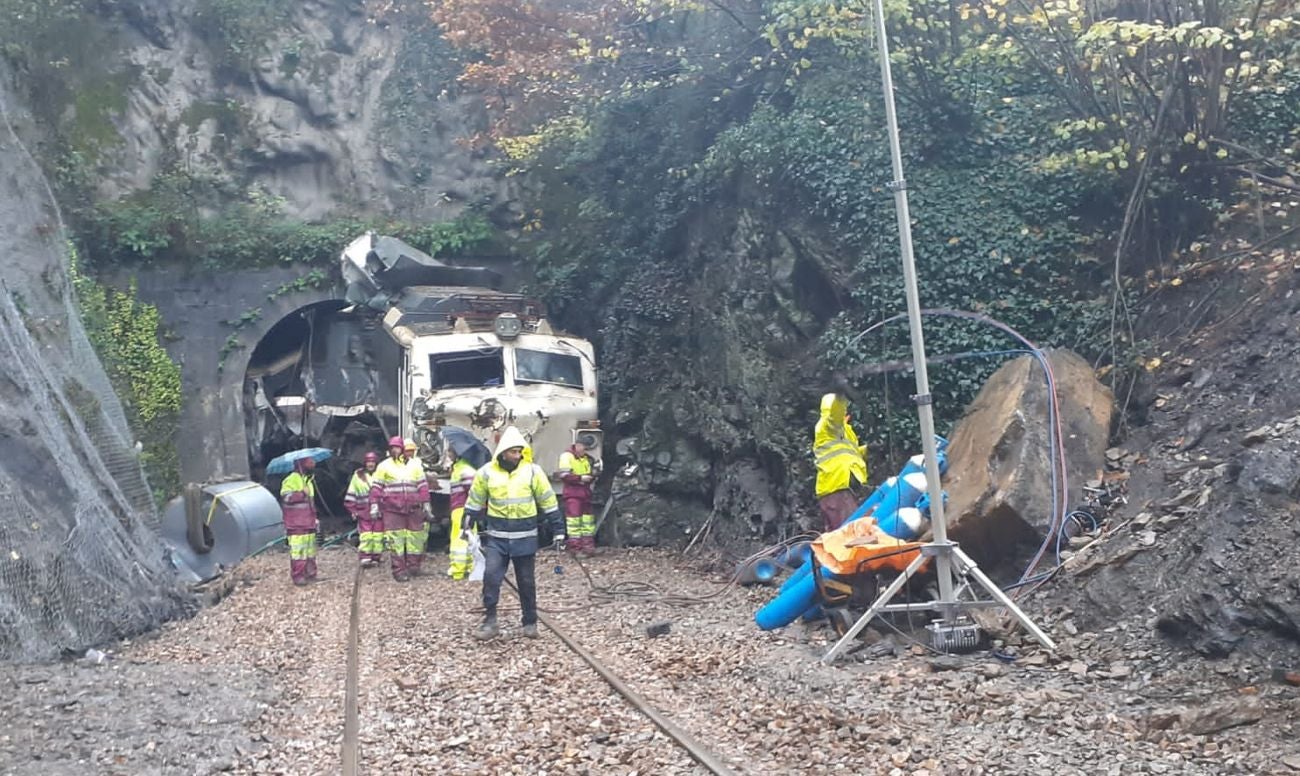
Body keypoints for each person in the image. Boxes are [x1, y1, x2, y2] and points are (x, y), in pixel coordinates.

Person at [463, 426, 564, 640]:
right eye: (513, 452)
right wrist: (466, 523)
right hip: (497, 538)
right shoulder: (486, 473)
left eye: (519, 451)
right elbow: (474, 500)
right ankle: (490, 621)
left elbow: (548, 501)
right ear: (503, 452)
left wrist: (558, 529)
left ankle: (530, 622)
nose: (517, 456)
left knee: (526, 581)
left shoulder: (532, 472)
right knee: (491, 577)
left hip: (525, 538)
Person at [370, 436, 429, 581]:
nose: (394, 450)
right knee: (395, 541)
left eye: (396, 447)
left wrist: (426, 503)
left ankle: (414, 567)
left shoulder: (415, 465)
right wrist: (374, 505)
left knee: (415, 539)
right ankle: (399, 571)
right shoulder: (384, 466)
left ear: (402, 448)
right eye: (392, 447)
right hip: (392, 509)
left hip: (413, 508)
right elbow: (376, 487)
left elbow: (422, 486)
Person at [813, 392, 869, 531]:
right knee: (850, 532)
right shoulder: (829, 425)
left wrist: (867, 450)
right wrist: (841, 395)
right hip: (836, 485)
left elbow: (849, 453)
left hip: (840, 486)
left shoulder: (844, 431)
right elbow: (835, 412)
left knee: (845, 531)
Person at [279, 456, 319, 586]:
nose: (313, 464)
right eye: (310, 462)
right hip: (296, 523)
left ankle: (310, 574)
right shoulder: (290, 480)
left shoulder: (308, 481)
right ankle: (298, 576)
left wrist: (315, 518)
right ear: (302, 464)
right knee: (298, 551)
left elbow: (310, 504)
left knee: (310, 551)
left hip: (308, 522)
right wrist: (302, 493)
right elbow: (286, 498)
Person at [556, 442, 598, 555]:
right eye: (583, 448)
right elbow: (564, 475)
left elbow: (590, 473)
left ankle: (588, 547)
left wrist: (592, 475)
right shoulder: (566, 457)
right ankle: (576, 548)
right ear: (577, 446)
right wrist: (580, 478)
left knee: (587, 522)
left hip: (585, 492)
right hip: (573, 493)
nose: (584, 450)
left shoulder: (586, 458)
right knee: (574, 521)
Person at [345, 452, 383, 567]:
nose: (370, 464)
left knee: (378, 536)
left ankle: (376, 557)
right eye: (368, 462)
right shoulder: (358, 475)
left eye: (372, 462)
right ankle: (365, 557)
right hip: (363, 511)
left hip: (379, 511)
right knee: (366, 535)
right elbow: (351, 493)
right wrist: (353, 510)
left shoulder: (381, 474)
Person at [447, 451, 480, 580]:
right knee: (470, 537)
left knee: (459, 540)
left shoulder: (464, 469)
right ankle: (471, 567)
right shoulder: (462, 468)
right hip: (464, 509)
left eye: (450, 451)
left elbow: (472, 491)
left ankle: (458, 570)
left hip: (461, 509)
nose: (448, 455)